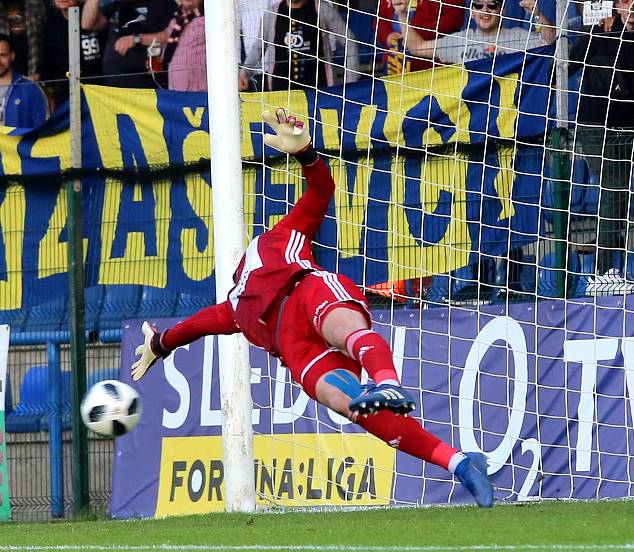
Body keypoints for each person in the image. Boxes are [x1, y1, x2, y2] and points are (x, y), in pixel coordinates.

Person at [130, 108, 495, 509]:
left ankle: (387, 382)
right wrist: (160, 344)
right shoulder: (235, 308)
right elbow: (195, 326)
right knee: (350, 405)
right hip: (294, 346)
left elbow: (321, 191)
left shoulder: (277, 238)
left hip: (307, 292)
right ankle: (460, 463)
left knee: (345, 331)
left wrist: (306, 152)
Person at [568, 0, 634, 277]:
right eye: (625, 1)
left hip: (627, 127)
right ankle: (603, 269)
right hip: (596, 124)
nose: (633, 6)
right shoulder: (600, 29)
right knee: (613, 191)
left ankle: (604, 255)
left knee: (619, 195)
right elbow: (569, 63)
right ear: (614, 6)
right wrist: (595, 30)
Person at [238, 0, 359, 92]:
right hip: (280, 93)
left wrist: (351, 82)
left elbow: (349, 41)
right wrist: (244, 73)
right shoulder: (271, 13)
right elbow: (258, 47)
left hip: (320, 91)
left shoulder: (322, 9)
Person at [400, 0, 540, 65]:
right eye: (479, 5)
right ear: (472, 12)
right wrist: (401, 13)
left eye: (492, 5)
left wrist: (539, 14)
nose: (485, 10)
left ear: (502, 11)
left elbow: (552, 43)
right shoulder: (461, 40)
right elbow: (416, 47)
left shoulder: (518, 36)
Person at [81, 0, 176, 88]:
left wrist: (137, 39)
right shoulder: (117, 6)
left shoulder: (163, 3)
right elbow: (87, 24)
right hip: (114, 91)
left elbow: (173, 36)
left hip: (147, 87)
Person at [40, 0, 106, 108]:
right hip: (66, 97)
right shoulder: (50, 25)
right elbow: (48, 66)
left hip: (99, 93)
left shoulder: (93, 17)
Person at [375, 0, 464, 75]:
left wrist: (413, 36)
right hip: (394, 63)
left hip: (432, 67)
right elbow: (379, 18)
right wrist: (388, 36)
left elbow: (454, 18)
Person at [0, 33, 48, 128]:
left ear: (12, 56)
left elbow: (43, 130)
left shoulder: (30, 88)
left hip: (22, 143)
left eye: (3, 55)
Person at [160, 0, 206, 91]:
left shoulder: (211, 19)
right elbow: (165, 38)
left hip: (203, 93)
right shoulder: (177, 19)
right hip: (177, 92)